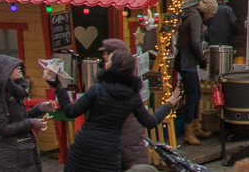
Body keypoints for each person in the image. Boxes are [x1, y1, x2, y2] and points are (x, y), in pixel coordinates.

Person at [51, 39, 182, 172]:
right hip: (109, 153)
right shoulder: (132, 96)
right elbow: (150, 121)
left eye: (109, 61)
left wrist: (58, 86)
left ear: (113, 67)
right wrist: (169, 104)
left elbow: (69, 111)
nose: (105, 62)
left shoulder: (97, 89)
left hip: (84, 148)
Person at [0, 55, 55, 172]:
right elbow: (2, 128)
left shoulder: (12, 91)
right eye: (13, 67)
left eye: (18, 66)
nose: (18, 68)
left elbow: (19, 117)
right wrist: (31, 123)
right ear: (3, 72)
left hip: (23, 153)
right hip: (12, 157)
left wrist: (40, 108)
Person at [174, 0, 207, 144]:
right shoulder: (195, 18)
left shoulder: (192, 15)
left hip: (186, 59)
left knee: (196, 93)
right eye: (211, 14)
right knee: (193, 95)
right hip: (186, 60)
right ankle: (188, 132)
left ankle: (195, 127)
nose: (211, 17)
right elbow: (194, 41)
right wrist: (202, 59)